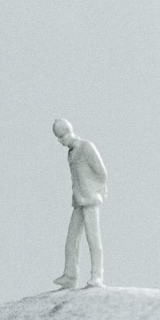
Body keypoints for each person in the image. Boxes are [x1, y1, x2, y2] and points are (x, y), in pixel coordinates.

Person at [52, 118, 107, 289]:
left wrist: (94, 191)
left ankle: (97, 276)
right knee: (71, 240)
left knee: (93, 239)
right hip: (78, 201)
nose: (60, 142)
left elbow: (101, 173)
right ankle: (70, 275)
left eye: (61, 138)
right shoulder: (71, 152)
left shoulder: (86, 147)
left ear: (68, 134)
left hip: (89, 200)